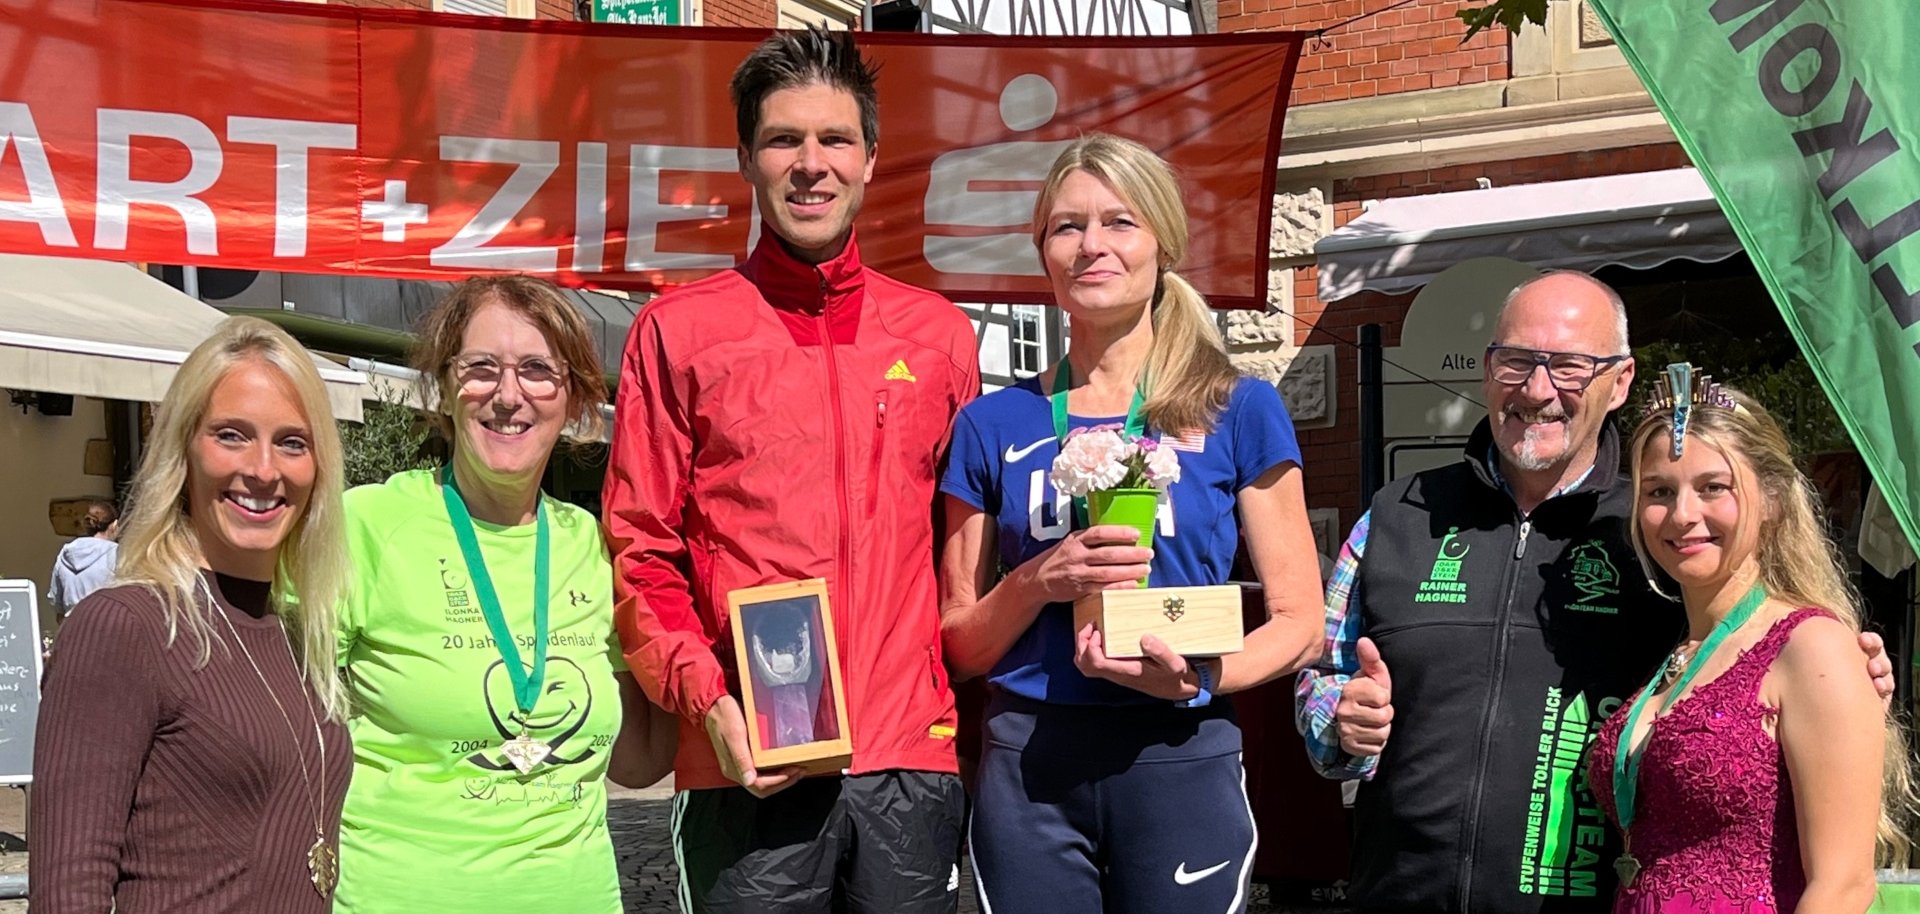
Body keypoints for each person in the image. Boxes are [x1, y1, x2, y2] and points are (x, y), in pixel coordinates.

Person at [1293, 271, 1898, 914]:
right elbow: (1322, 671)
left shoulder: (1653, 531)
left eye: (1570, 366)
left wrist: (1835, 673)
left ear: (1621, 381)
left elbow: (1753, 652)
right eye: (1516, 362)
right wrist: (1338, 718)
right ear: (1487, 369)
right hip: (1397, 896)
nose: (1538, 389)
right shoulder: (1398, 515)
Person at [603, 26, 980, 914]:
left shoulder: (938, 339)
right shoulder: (679, 333)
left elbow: (967, 559)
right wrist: (709, 703)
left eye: (834, 139)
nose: (810, 164)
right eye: (783, 140)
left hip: (909, 762)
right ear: (747, 157)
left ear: (870, 158)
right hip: (750, 766)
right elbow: (640, 550)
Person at [938, 133, 1324, 914]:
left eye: (1119, 222)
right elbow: (962, 642)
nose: (1091, 246)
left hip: (1179, 750)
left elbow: (1301, 621)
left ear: (1161, 243)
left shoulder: (1236, 407)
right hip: (1032, 763)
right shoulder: (990, 423)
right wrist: (1039, 580)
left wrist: (1202, 679)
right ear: (1042, 250)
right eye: (1067, 226)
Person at [333, 276, 675, 913]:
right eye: (481, 368)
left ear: (573, 400)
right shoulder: (366, 526)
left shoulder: (596, 549)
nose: (508, 396)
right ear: (444, 385)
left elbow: (639, 762)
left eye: (539, 370)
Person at [31, 317, 351, 913]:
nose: (262, 469)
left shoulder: (294, 632)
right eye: (231, 435)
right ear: (184, 450)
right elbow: (67, 891)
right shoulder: (126, 626)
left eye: (291, 441)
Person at [1587, 370, 1913, 913]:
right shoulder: (1678, 652)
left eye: (1713, 487)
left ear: (1774, 500)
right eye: (1659, 492)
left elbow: (1843, 885)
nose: (1683, 515)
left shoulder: (1810, 647)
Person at [47, 499, 120, 618]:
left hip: (72, 626)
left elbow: (56, 600)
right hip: (105, 624)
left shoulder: (66, 553)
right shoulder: (115, 553)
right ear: (114, 525)